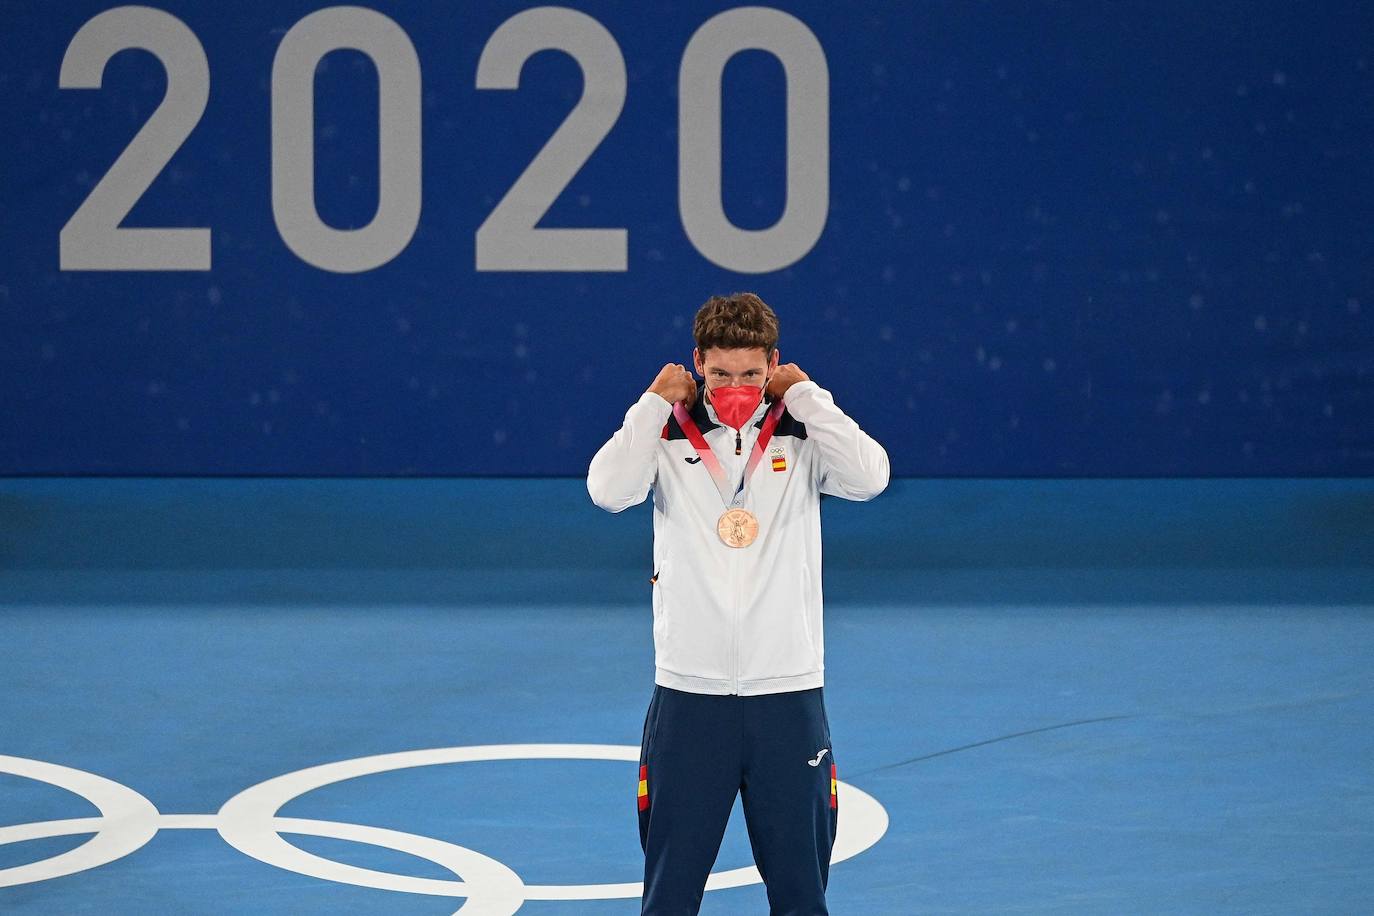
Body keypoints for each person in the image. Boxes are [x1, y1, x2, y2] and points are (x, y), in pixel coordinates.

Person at [587, 292, 889, 915]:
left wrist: (806, 393)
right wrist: (649, 404)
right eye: (720, 373)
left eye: (752, 373)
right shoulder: (666, 431)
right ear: (697, 363)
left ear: (773, 364)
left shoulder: (802, 432)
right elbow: (608, 491)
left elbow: (870, 476)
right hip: (689, 697)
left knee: (801, 898)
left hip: (788, 695)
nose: (735, 387)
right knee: (669, 898)